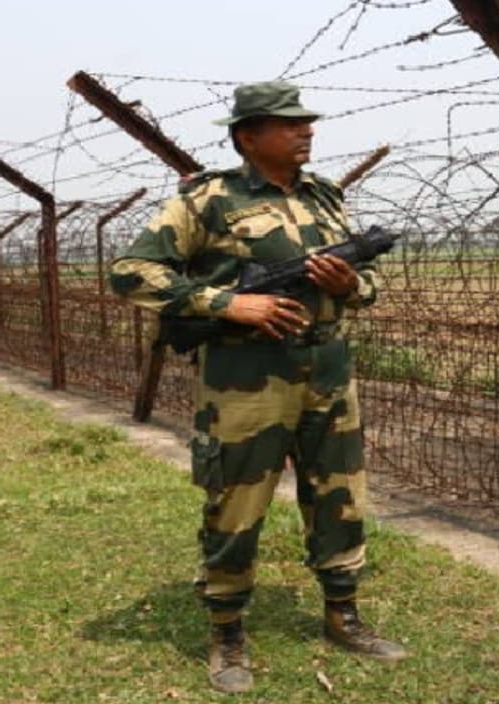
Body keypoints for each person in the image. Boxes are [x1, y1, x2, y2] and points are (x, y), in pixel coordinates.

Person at [109, 81, 406, 693]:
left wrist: (350, 285)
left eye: (307, 123)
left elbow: (365, 287)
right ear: (248, 136)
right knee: (235, 507)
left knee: (340, 498)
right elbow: (130, 270)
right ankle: (226, 633)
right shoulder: (209, 200)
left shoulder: (326, 196)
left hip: (326, 370)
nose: (307, 132)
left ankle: (343, 613)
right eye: (289, 124)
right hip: (244, 381)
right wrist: (229, 304)